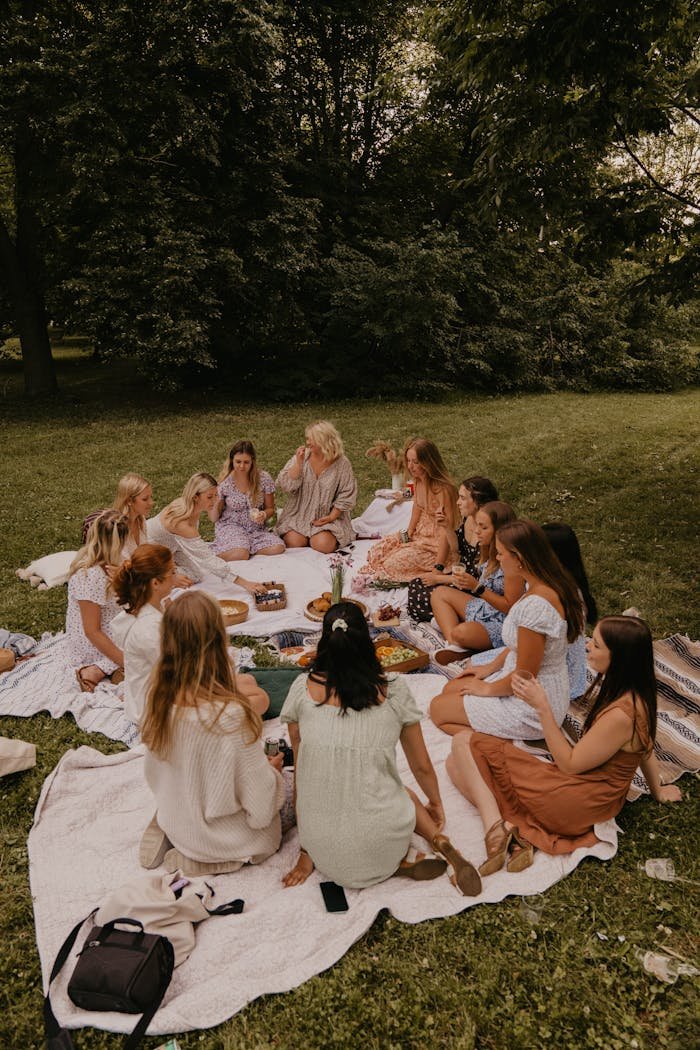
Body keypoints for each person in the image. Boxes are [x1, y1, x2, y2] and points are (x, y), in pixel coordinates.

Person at [446, 616, 682, 876]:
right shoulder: (639, 697)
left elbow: (569, 765)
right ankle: (514, 834)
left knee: (462, 742)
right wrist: (657, 790)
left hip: (577, 803)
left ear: (619, 658)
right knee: (455, 766)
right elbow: (646, 749)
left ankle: (497, 829)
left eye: (598, 645)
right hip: (593, 800)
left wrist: (542, 708)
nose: (588, 645)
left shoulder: (621, 715)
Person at [280, 602, 480, 895]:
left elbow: (302, 770)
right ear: (368, 641)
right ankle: (437, 840)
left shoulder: (302, 689)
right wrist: (436, 804)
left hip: (323, 851)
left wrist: (307, 842)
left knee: (344, 785)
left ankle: (397, 860)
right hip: (383, 842)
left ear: (323, 642)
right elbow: (422, 765)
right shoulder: (394, 689)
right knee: (401, 790)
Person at [139, 591, 282, 876]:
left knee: (189, 784)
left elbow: (154, 775)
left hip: (179, 812)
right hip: (227, 838)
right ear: (219, 640)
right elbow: (260, 807)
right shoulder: (231, 717)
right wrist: (274, 774)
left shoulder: (158, 698)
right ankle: (212, 859)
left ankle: (170, 826)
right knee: (278, 809)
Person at [430, 520, 585, 740]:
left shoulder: (536, 607)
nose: (498, 558)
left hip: (531, 707)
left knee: (438, 709)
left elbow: (525, 677)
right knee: (451, 689)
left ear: (519, 559)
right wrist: (489, 668)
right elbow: (520, 648)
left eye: (501, 553)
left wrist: (487, 689)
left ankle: (506, 745)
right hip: (531, 686)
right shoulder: (545, 583)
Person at [466, 521, 597, 700]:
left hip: (552, 670)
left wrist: (490, 687)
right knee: (475, 665)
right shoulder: (544, 584)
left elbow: (529, 670)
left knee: (472, 673)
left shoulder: (552, 597)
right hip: (537, 656)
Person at [431, 501, 522, 664]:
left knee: (461, 632)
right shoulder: (488, 550)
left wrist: (477, 587)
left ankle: (458, 641)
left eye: (484, 527)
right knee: (439, 593)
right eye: (477, 525)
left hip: (502, 622)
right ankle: (455, 646)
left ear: (500, 530)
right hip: (485, 608)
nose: (477, 531)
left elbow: (511, 608)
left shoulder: (511, 562)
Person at [360, 439, 460, 582]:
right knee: (379, 550)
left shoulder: (444, 490)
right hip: (421, 534)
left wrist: (438, 566)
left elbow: (447, 530)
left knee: (392, 564)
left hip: (437, 544)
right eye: (408, 460)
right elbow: (417, 507)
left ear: (429, 463)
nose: (410, 466)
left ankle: (436, 569)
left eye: (416, 462)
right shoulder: (418, 480)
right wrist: (409, 533)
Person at [146, 472, 262, 594]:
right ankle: (154, 577)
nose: (215, 500)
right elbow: (208, 560)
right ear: (196, 496)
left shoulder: (189, 506)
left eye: (216, 495)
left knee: (196, 575)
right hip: (150, 552)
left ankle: (170, 570)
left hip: (172, 547)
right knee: (188, 574)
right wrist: (245, 584)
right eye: (209, 497)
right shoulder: (183, 524)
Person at [407, 476, 500, 622]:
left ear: (477, 502)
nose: (457, 502)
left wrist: (439, 578)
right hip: (461, 578)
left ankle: (452, 618)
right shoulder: (469, 518)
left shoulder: (487, 532)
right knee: (417, 585)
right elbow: (457, 550)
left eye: (462, 498)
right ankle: (448, 616)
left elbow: (477, 579)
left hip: (476, 588)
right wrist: (446, 527)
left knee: (425, 593)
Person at [110, 543, 179, 725]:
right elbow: (176, 674)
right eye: (172, 572)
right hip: (155, 708)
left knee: (248, 686)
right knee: (254, 698)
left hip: (160, 692)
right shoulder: (149, 628)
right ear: (155, 583)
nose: (176, 577)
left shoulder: (151, 608)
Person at [67, 510, 130, 692]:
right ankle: (97, 669)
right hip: (93, 642)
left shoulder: (115, 563)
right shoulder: (89, 576)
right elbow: (92, 631)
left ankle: (117, 669)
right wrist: (124, 660)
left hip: (112, 624)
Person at [275, 421, 357, 553]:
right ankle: (306, 538)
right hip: (299, 514)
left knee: (322, 545)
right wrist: (298, 464)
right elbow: (286, 485)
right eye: (307, 438)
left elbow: (346, 494)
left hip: (327, 517)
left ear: (324, 440)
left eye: (311, 439)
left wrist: (330, 517)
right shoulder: (303, 457)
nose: (307, 442)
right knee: (294, 542)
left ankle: (317, 538)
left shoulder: (342, 463)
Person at [210, 440, 284, 560]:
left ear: (252, 462)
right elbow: (214, 517)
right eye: (238, 462)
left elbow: (271, 509)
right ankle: (210, 557)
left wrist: (264, 514)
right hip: (231, 526)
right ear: (232, 461)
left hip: (255, 528)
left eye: (246, 462)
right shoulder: (225, 483)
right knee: (241, 553)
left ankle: (243, 547)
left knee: (278, 547)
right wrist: (215, 501)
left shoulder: (264, 479)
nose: (242, 466)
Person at [81, 472, 154, 553]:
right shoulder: (114, 527)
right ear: (129, 501)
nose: (151, 502)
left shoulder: (140, 520)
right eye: (145, 499)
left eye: (151, 497)